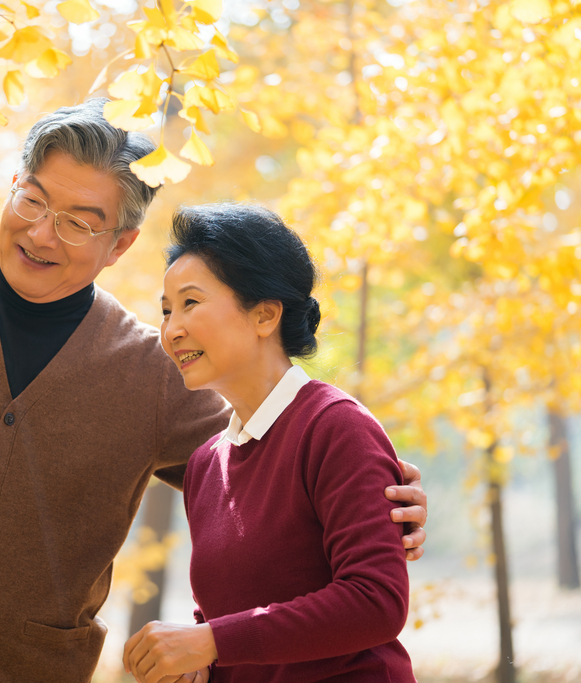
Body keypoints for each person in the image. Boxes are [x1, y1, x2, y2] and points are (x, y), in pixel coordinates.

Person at [0, 100, 427, 683]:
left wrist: (385, 495)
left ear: (122, 243)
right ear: (12, 190)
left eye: (80, 221)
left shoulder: (155, 373)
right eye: (32, 200)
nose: (41, 232)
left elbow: (272, 455)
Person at [123, 204, 416, 683]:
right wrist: (193, 664)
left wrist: (209, 643)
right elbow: (230, 626)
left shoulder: (336, 428)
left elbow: (376, 601)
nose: (171, 329)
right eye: (166, 310)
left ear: (264, 315)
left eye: (191, 303)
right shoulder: (205, 465)